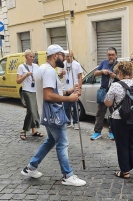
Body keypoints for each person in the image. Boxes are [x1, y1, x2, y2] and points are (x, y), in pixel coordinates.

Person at [20, 44, 86, 187]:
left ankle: (31, 167)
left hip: (47, 113)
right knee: (62, 143)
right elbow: (49, 95)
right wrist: (69, 99)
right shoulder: (49, 71)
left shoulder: (43, 69)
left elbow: (53, 92)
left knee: (50, 140)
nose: (64, 58)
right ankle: (67, 175)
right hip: (53, 114)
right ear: (55, 56)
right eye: (62, 55)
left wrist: (68, 91)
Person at [104, 61, 133, 179]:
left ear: (120, 72)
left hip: (119, 119)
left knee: (122, 145)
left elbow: (108, 102)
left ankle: (125, 172)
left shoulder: (115, 85)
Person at [90, 47, 118, 140]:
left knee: (114, 113)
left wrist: (115, 76)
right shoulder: (104, 63)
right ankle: (97, 132)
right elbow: (95, 73)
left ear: (116, 55)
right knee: (100, 113)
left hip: (115, 92)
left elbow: (124, 77)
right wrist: (102, 71)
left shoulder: (119, 64)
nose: (110, 56)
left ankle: (113, 132)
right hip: (104, 91)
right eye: (109, 54)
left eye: (112, 55)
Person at [16, 49, 43, 140]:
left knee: (34, 110)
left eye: (33, 57)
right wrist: (26, 75)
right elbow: (18, 81)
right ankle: (23, 130)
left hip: (35, 90)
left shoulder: (36, 66)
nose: (32, 58)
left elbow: (40, 77)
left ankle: (34, 130)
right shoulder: (21, 67)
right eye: (30, 57)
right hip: (26, 91)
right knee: (31, 110)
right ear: (26, 57)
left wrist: (37, 79)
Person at [58, 50, 83, 130]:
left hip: (74, 88)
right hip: (65, 88)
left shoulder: (77, 64)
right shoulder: (62, 64)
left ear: (72, 56)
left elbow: (80, 77)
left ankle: (76, 122)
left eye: (70, 56)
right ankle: (68, 122)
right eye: (67, 56)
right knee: (66, 107)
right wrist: (62, 73)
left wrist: (79, 88)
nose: (68, 58)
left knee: (75, 107)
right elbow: (59, 77)